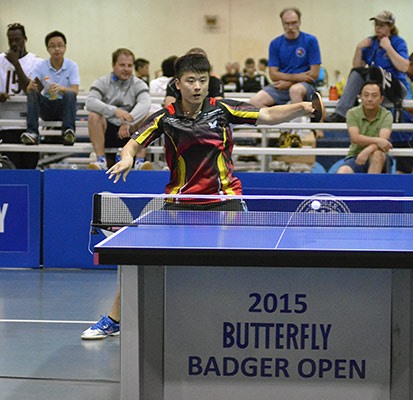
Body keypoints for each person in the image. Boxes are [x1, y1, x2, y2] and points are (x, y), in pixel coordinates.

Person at [81, 53, 319, 339]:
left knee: (246, 262)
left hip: (224, 199)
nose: (197, 86)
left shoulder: (222, 109)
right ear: (178, 84)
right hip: (180, 202)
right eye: (191, 81)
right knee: (138, 258)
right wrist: (128, 157)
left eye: (203, 81)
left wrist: (303, 107)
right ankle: (114, 320)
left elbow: (267, 115)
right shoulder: (165, 117)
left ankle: (255, 319)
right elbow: (133, 142)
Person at [325, 10, 410, 123]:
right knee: (360, 72)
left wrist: (389, 48)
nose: (378, 28)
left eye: (382, 25)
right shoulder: (372, 42)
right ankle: (341, 113)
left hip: (396, 88)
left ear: (390, 26)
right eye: (376, 25)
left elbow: (404, 67)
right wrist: (359, 48)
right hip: (376, 86)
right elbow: (356, 69)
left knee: (375, 71)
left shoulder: (398, 42)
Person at [85, 48, 152, 170]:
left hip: (131, 130)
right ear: (113, 65)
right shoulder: (102, 82)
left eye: (129, 65)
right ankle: (101, 161)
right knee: (94, 116)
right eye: (122, 65)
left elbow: (146, 103)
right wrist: (115, 111)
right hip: (108, 130)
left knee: (147, 117)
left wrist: (128, 122)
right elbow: (90, 102)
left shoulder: (139, 84)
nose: (126, 69)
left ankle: (139, 162)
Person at [249, 7, 321, 107]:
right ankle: (277, 121)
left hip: (304, 86)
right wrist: (297, 77)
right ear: (282, 24)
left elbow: (314, 74)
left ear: (299, 22)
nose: (290, 27)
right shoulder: (275, 44)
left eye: (294, 23)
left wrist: (289, 82)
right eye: (287, 24)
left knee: (295, 90)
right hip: (282, 86)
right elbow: (273, 75)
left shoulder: (310, 41)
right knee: (254, 102)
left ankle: (299, 122)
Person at [22, 30, 79, 146]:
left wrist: (61, 89)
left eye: (60, 45)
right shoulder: (40, 66)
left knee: (70, 94)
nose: (56, 49)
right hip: (46, 106)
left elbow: (75, 90)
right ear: (48, 49)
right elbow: (29, 90)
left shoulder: (72, 66)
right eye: (52, 46)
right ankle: (32, 133)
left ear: (65, 47)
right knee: (32, 93)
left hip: (64, 107)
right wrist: (30, 87)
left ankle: (68, 132)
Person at [0, 22, 43, 169]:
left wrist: (16, 64)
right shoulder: (0, 61)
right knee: (11, 168)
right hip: (6, 124)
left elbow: (30, 90)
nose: (13, 43)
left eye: (17, 39)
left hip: (29, 125)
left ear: (25, 39)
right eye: (10, 39)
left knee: (29, 169)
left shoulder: (37, 62)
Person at [337, 82, 393, 174]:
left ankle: (370, 188)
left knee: (377, 156)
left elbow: (383, 141)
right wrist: (378, 141)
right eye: (366, 95)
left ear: (381, 99)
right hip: (355, 155)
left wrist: (367, 151)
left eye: (374, 95)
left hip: (380, 155)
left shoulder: (386, 115)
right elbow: (355, 138)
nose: (369, 99)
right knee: (343, 172)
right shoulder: (352, 113)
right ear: (360, 97)